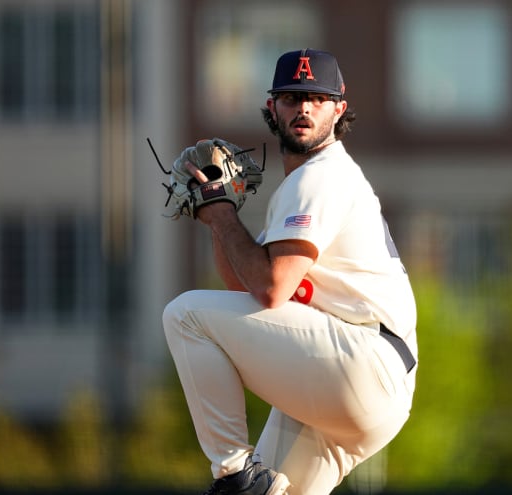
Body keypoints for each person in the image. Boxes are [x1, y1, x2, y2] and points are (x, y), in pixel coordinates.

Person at [162, 48, 418, 495]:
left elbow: (271, 288)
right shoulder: (305, 184)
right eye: (292, 96)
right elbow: (241, 285)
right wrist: (218, 217)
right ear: (272, 108)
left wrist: (223, 217)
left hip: (359, 360)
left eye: (317, 98)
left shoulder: (321, 174)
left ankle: (234, 472)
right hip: (356, 381)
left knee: (186, 314)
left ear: (338, 110)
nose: (304, 108)